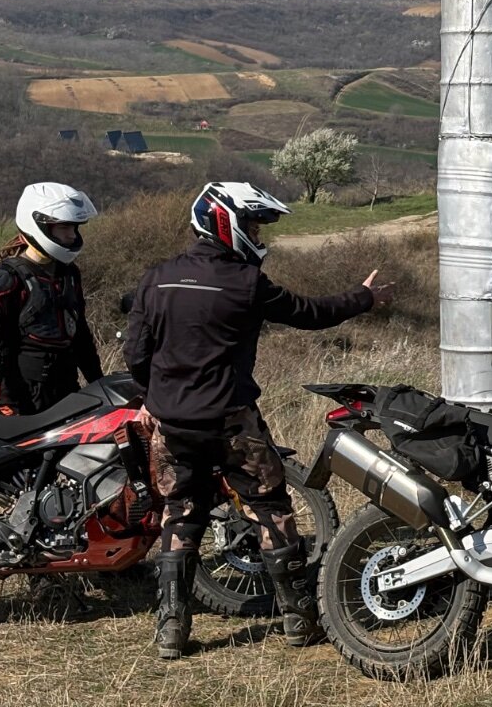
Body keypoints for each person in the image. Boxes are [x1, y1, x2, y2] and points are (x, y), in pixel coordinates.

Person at [123, 181, 392, 659]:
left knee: (180, 513)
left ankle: (171, 629)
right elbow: (309, 313)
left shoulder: (156, 277)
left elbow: (135, 353)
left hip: (172, 423)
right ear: (223, 221)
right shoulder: (245, 282)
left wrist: (152, 397)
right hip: (231, 422)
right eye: (251, 223)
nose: (257, 233)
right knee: (270, 507)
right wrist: (363, 298)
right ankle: (298, 618)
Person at [0, 182, 103, 417]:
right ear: (39, 225)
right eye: (64, 227)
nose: (72, 235)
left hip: (70, 393)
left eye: (74, 227)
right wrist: (10, 407)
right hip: (27, 401)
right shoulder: (7, 280)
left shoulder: (69, 274)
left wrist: (99, 384)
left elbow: (80, 336)